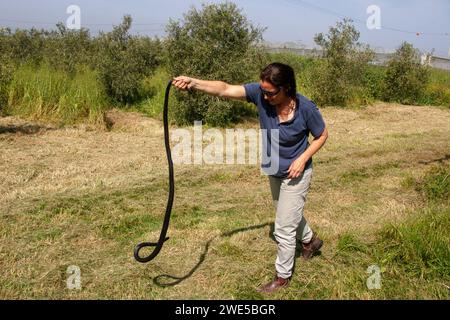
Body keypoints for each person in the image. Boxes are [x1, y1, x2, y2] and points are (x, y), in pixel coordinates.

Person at [172, 62, 328, 293]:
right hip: (273, 167)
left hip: (297, 171)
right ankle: (310, 241)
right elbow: (224, 89)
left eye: (271, 92)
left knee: (283, 227)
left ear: (286, 88)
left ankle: (282, 277)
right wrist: (193, 83)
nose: (265, 96)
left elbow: (322, 135)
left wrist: (302, 159)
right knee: (287, 211)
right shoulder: (259, 94)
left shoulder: (305, 108)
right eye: (263, 91)